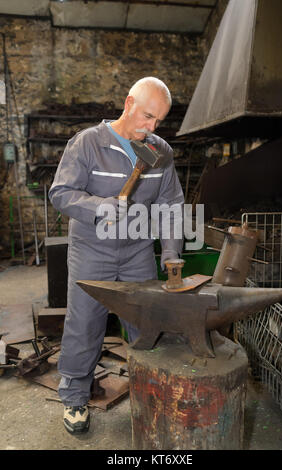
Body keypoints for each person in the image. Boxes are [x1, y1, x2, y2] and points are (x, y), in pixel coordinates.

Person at [48, 77, 184, 434]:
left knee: (145, 324)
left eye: (159, 121)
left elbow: (171, 205)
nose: (151, 128)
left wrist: (170, 252)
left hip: (138, 250)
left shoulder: (160, 152)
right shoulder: (88, 144)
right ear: (128, 104)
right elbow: (60, 193)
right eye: (147, 117)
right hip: (92, 249)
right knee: (84, 324)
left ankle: (152, 389)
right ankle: (75, 398)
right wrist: (99, 207)